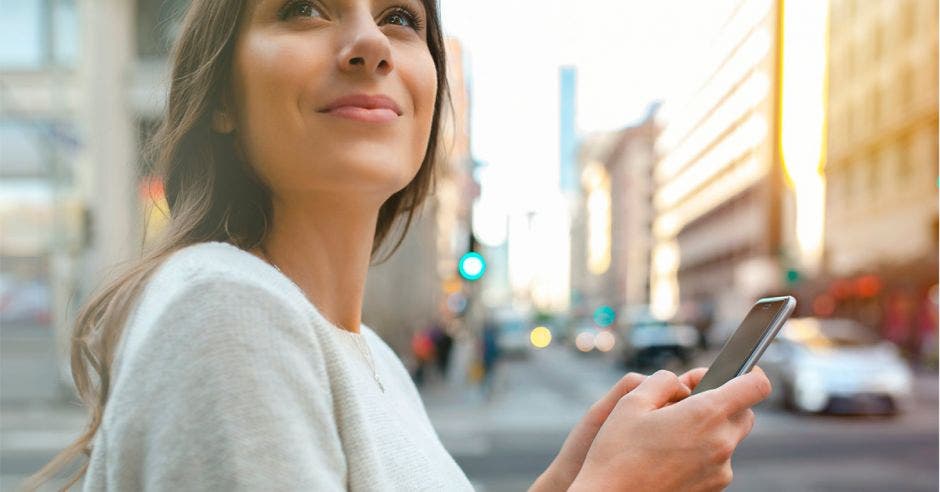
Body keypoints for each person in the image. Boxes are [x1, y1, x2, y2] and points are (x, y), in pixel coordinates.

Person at [27, 1, 772, 490]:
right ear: (220, 96)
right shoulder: (225, 311)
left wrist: (572, 479)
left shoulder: (371, 355)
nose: (367, 44)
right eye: (302, 8)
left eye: (399, 17)